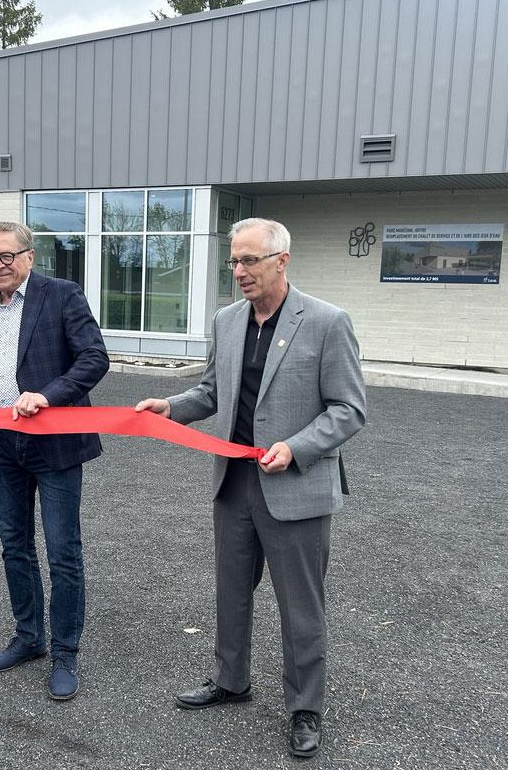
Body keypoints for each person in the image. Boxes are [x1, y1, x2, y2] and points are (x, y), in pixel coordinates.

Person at [136, 217, 366, 759]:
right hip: (234, 481)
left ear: (281, 261)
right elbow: (213, 390)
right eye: (233, 261)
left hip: (297, 487)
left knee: (300, 606)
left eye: (249, 261)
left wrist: (297, 447)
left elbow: (350, 409)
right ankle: (230, 679)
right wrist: (172, 408)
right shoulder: (228, 319)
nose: (238, 271)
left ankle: (305, 706)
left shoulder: (328, 322)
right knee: (231, 592)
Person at [0, 221, 108, 701]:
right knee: (14, 544)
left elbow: (94, 359)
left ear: (29, 257)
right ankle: (29, 638)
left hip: (54, 441)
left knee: (62, 551)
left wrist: (47, 396)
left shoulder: (63, 295)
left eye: (7, 256)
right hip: (2, 442)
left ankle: (65, 652)